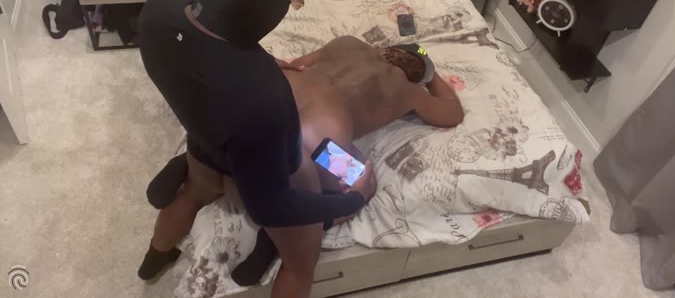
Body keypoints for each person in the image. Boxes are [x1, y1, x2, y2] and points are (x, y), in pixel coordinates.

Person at [136, 0, 377, 298]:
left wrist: (260, 60)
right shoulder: (265, 97)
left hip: (205, 144)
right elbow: (271, 207)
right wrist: (354, 198)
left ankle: (156, 254)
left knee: (192, 194)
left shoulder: (160, 9)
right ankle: (278, 244)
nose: (291, 7)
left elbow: (214, 41)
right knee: (306, 255)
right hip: (283, 162)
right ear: (267, 3)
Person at [147, 36, 465, 285]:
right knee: (362, 183)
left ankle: (157, 250)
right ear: (414, 76)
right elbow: (452, 113)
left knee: (203, 180)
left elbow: (294, 66)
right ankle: (292, 228)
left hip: (265, 109)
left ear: (385, 50)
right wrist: (431, 76)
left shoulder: (348, 43)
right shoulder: (410, 92)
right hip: (319, 144)